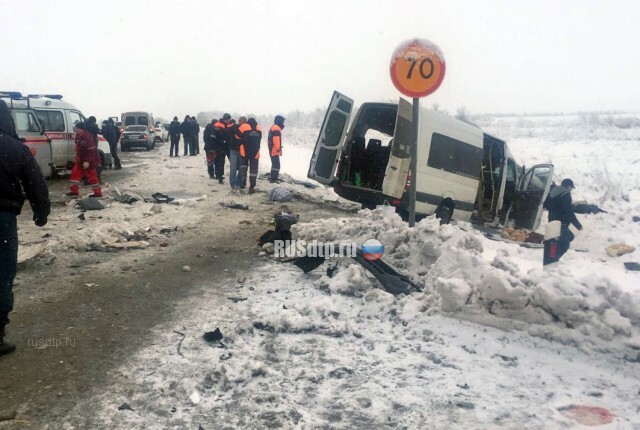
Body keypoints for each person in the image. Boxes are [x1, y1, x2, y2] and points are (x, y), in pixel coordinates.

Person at [0, 100, 51, 355]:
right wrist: (41, 212)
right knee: (2, 274)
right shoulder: (14, 148)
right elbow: (35, 183)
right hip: (2, 219)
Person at [545, 178, 582, 259]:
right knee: (565, 244)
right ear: (567, 186)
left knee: (557, 240)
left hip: (551, 220)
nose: (571, 189)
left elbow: (546, 205)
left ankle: (551, 256)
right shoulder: (566, 194)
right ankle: (553, 258)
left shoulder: (553, 191)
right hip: (561, 223)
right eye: (571, 187)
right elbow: (569, 211)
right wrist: (577, 225)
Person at [67, 122, 102, 197]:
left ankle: (98, 193)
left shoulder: (87, 137)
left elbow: (91, 150)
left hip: (88, 161)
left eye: (76, 129)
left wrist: (87, 161)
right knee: (75, 175)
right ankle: (74, 191)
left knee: (92, 176)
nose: (75, 130)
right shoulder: (79, 136)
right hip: (80, 160)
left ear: (81, 129)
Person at [239, 117, 262, 194]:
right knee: (253, 170)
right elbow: (259, 139)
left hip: (244, 151)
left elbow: (238, 136)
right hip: (255, 152)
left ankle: (243, 183)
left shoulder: (244, 126)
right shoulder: (259, 128)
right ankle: (252, 186)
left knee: (243, 167)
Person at [212, 113, 232, 184]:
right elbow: (215, 135)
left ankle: (232, 177)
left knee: (232, 162)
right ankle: (220, 177)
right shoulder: (218, 125)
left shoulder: (232, 125)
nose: (227, 120)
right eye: (226, 119)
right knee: (221, 162)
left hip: (229, 146)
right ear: (223, 119)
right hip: (220, 146)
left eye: (228, 119)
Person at [229, 116, 246, 189]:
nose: (242, 122)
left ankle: (239, 183)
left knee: (240, 168)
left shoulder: (246, 129)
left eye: (244, 121)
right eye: (241, 121)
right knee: (233, 167)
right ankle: (233, 183)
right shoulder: (234, 127)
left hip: (242, 151)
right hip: (233, 150)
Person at [268, 115, 285, 182]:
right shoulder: (276, 128)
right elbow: (276, 139)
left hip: (272, 148)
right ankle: (274, 179)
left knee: (274, 164)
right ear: (280, 121)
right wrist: (278, 148)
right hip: (274, 149)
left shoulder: (274, 127)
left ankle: (273, 177)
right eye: (282, 121)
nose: (283, 123)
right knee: (276, 164)